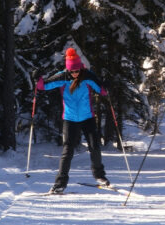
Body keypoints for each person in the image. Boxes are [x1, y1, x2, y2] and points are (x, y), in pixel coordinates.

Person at [36, 47, 110, 194]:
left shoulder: (88, 76)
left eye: (77, 71)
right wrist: (37, 78)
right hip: (70, 119)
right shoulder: (62, 77)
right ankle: (60, 184)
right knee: (67, 150)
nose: (75, 74)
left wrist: (105, 86)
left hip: (87, 117)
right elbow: (42, 86)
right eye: (72, 71)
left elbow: (102, 91)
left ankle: (99, 176)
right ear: (68, 70)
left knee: (94, 146)